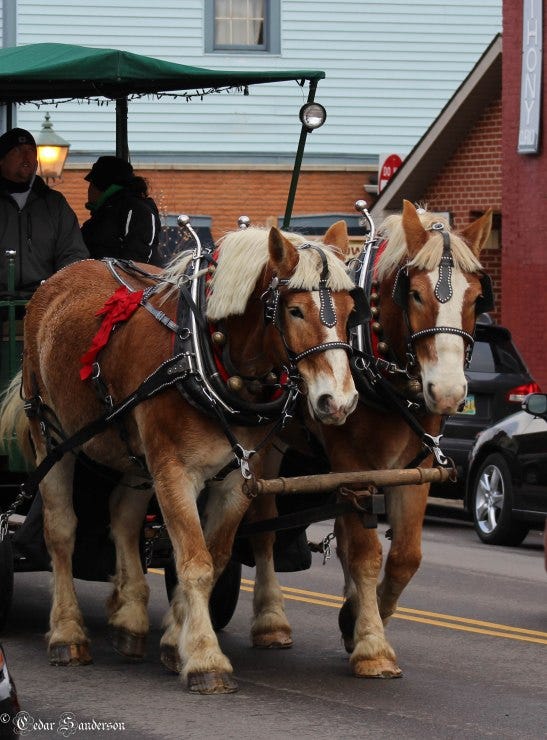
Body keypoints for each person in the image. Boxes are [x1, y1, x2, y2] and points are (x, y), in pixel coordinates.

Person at [0, 127, 89, 294]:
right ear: (2, 160)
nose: (26, 156)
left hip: (42, 303)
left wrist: (57, 291)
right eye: (17, 151)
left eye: (31, 151)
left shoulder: (54, 203)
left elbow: (73, 253)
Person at [81, 155, 162, 265]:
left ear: (101, 185)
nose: (89, 189)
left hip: (118, 280)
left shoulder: (136, 210)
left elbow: (137, 260)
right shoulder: (104, 214)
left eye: (92, 183)